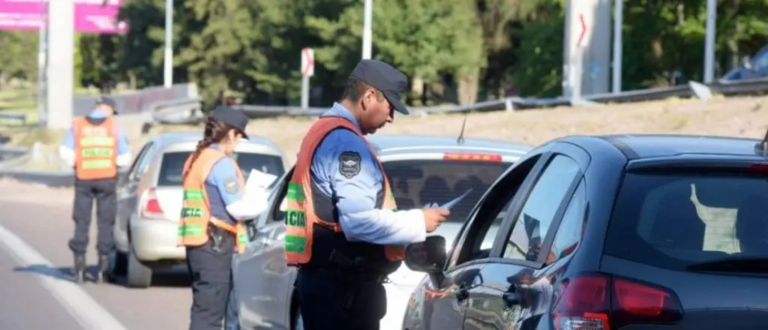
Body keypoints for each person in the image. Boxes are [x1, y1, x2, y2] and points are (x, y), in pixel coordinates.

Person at [284, 59, 450, 330]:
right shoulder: (347, 144)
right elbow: (358, 222)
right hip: (344, 290)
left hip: (327, 284)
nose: (391, 117)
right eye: (390, 106)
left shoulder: (322, 130)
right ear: (369, 97)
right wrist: (420, 221)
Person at [178, 105, 269, 330]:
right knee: (209, 316)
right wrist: (260, 200)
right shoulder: (221, 163)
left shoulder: (197, 158)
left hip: (198, 244)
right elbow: (237, 207)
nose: (237, 143)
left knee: (203, 310)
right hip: (215, 245)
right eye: (238, 137)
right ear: (230, 134)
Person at [59, 96, 132, 283]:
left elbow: (65, 152)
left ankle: (79, 268)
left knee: (81, 221)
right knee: (105, 223)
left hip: (83, 180)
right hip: (107, 180)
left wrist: (77, 163)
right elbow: (125, 157)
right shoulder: (114, 127)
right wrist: (115, 166)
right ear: (107, 109)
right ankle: (103, 270)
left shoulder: (78, 125)